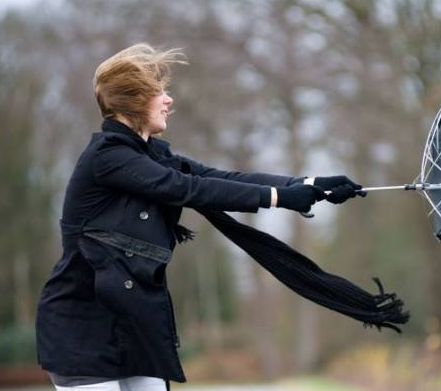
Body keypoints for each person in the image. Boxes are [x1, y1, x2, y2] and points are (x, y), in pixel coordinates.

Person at [34, 43, 365, 391]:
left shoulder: (152, 156)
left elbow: (218, 179)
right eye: (158, 92)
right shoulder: (107, 158)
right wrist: (280, 197)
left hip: (134, 328)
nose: (168, 100)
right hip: (83, 331)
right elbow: (187, 188)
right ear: (134, 100)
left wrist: (309, 185)